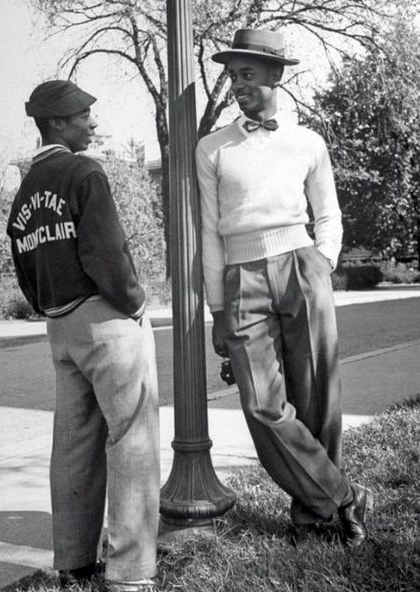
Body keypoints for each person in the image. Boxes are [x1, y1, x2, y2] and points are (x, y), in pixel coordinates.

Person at [196, 29, 373, 547]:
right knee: (262, 404)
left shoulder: (308, 141)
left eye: (247, 75)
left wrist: (324, 260)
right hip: (241, 276)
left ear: (276, 76)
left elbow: (330, 213)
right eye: (232, 76)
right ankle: (343, 495)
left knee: (318, 396)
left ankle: (312, 518)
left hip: (302, 266)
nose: (237, 85)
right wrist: (217, 307)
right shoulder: (213, 149)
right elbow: (209, 233)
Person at [7, 80, 160, 592]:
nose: (92, 124)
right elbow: (105, 253)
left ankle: (73, 562)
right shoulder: (83, 171)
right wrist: (136, 301)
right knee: (132, 437)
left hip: (60, 326)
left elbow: (25, 270)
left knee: (73, 445)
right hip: (106, 320)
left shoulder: (25, 190)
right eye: (83, 117)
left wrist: (50, 309)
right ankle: (131, 572)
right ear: (56, 124)